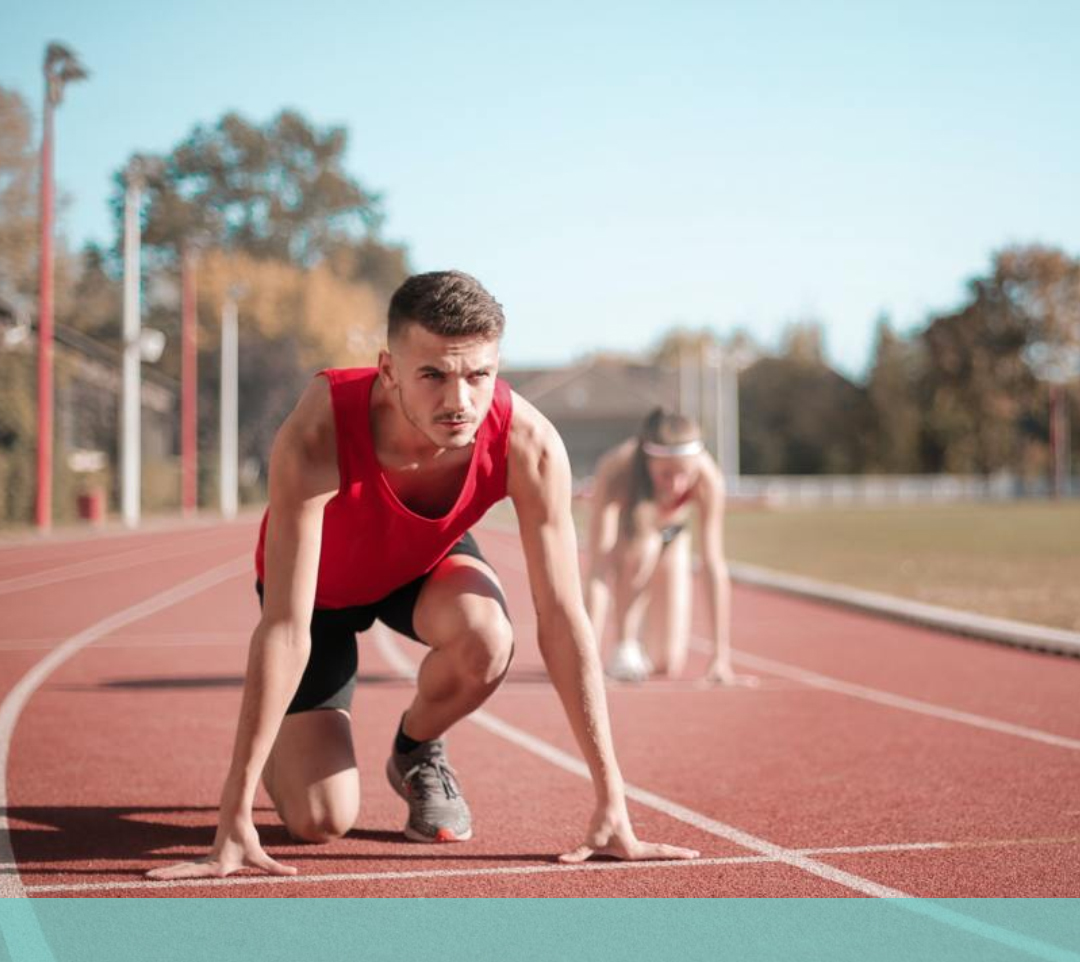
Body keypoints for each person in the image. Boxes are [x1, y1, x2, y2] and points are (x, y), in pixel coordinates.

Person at [149, 271, 698, 881]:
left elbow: (564, 619)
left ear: (497, 366)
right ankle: (285, 737)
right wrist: (233, 815)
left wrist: (611, 802)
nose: (458, 401)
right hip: (320, 596)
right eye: (432, 375)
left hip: (420, 567)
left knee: (489, 638)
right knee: (320, 821)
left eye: (477, 375)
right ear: (389, 370)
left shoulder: (529, 444)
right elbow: (284, 626)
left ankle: (415, 750)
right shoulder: (319, 429)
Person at [584, 408, 755, 685]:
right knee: (646, 547)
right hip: (631, 538)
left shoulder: (708, 477)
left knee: (666, 663)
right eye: (665, 475)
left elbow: (713, 565)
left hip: (674, 535)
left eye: (684, 474)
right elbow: (598, 569)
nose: (676, 485)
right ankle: (625, 645)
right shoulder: (617, 469)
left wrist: (719, 657)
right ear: (648, 462)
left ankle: (644, 647)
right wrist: (586, 657)